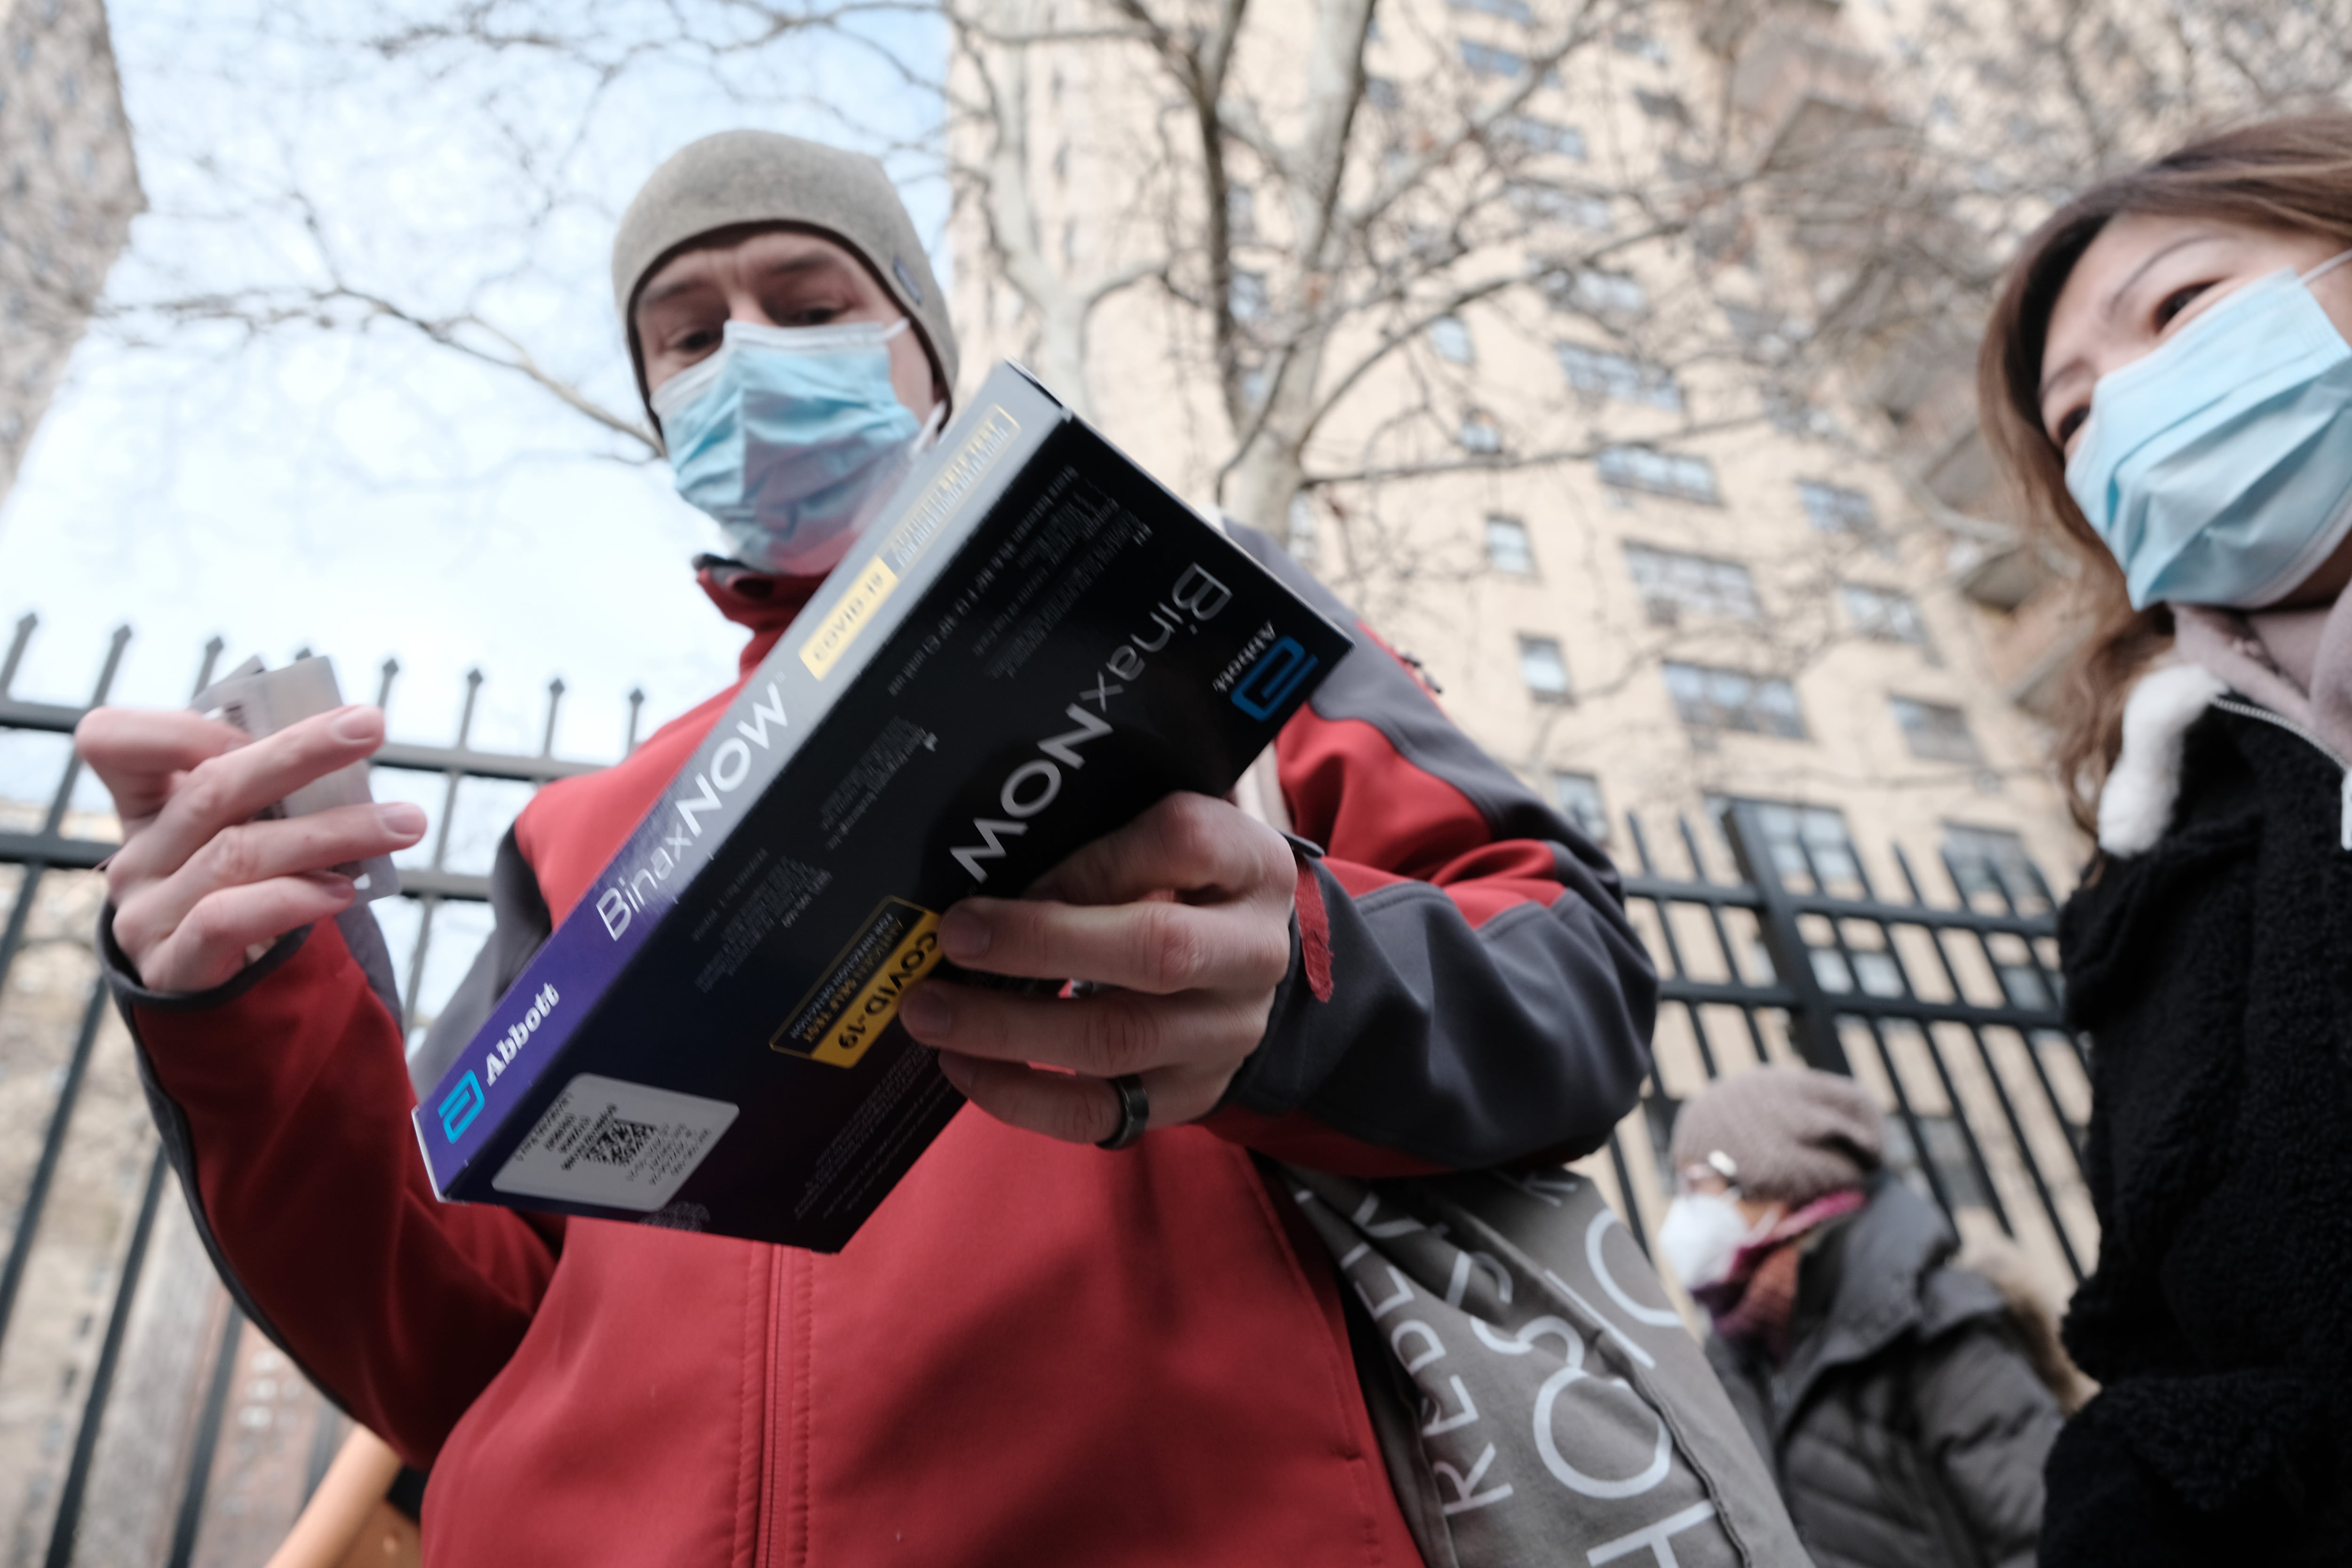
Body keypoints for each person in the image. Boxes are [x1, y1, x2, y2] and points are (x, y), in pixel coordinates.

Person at [71, 130, 1659, 1562]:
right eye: (688, 333)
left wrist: (1299, 983)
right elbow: (446, 1352)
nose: (747, 354)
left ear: (924, 350)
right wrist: (245, 1011)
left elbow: (1568, 984)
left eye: (810, 302)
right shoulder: (578, 831)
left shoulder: (1185, 608)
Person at [1976, 111, 2352, 1562]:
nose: (2130, 405)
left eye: (2184, 306)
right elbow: (2181, 1357)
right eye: (2075, 419)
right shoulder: (2157, 864)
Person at [1655, 1067, 2064, 1568]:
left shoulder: (1932, 1324)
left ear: (1775, 1180)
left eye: (1696, 1182)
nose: (1683, 1209)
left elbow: (2046, 1532)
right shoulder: (1738, 1353)